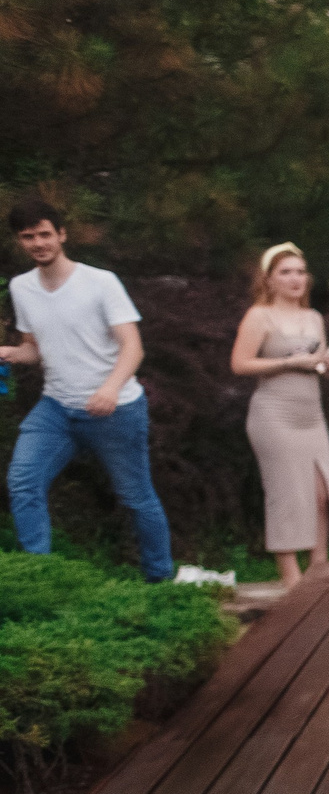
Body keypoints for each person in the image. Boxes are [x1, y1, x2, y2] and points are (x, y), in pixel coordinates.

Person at [2, 198, 173, 579]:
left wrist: (111, 389)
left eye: (45, 234)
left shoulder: (100, 282)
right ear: (20, 242)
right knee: (23, 482)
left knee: (135, 498)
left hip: (116, 410)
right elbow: (36, 350)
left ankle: (161, 582)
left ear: (62, 234)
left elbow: (133, 346)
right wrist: (10, 352)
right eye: (28, 237)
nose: (38, 243)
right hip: (57, 409)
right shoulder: (21, 287)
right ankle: (40, 579)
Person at [228, 243, 329, 588]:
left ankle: (318, 570)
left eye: (300, 272)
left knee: (321, 493)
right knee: (286, 493)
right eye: (286, 272)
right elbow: (240, 363)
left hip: (311, 415)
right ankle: (291, 579)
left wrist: (328, 366)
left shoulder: (314, 318)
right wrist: (288, 362)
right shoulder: (259, 316)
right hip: (274, 415)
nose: (295, 279)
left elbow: (318, 364)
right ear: (269, 279)